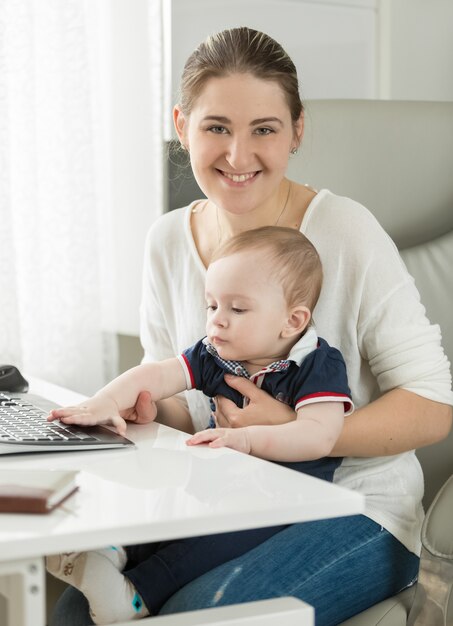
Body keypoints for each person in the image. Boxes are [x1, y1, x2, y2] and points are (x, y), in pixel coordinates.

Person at [49, 26, 452, 626]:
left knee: (192, 616)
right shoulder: (166, 241)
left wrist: (296, 429)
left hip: (358, 507)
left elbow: (432, 405)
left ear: (297, 131)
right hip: (231, 495)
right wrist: (148, 407)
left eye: (264, 129)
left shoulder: (345, 231)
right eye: (216, 128)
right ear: (182, 125)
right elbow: (190, 400)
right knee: (76, 613)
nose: (238, 156)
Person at [46, 226, 353, 624]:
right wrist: (103, 402)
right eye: (212, 306)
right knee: (168, 503)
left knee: (211, 544)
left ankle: (135, 596)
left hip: (283, 502)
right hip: (219, 480)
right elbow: (156, 375)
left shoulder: (317, 364)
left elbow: (319, 435)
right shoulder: (215, 354)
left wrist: (244, 439)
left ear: (292, 320)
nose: (217, 322)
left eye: (237, 309)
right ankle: (111, 551)